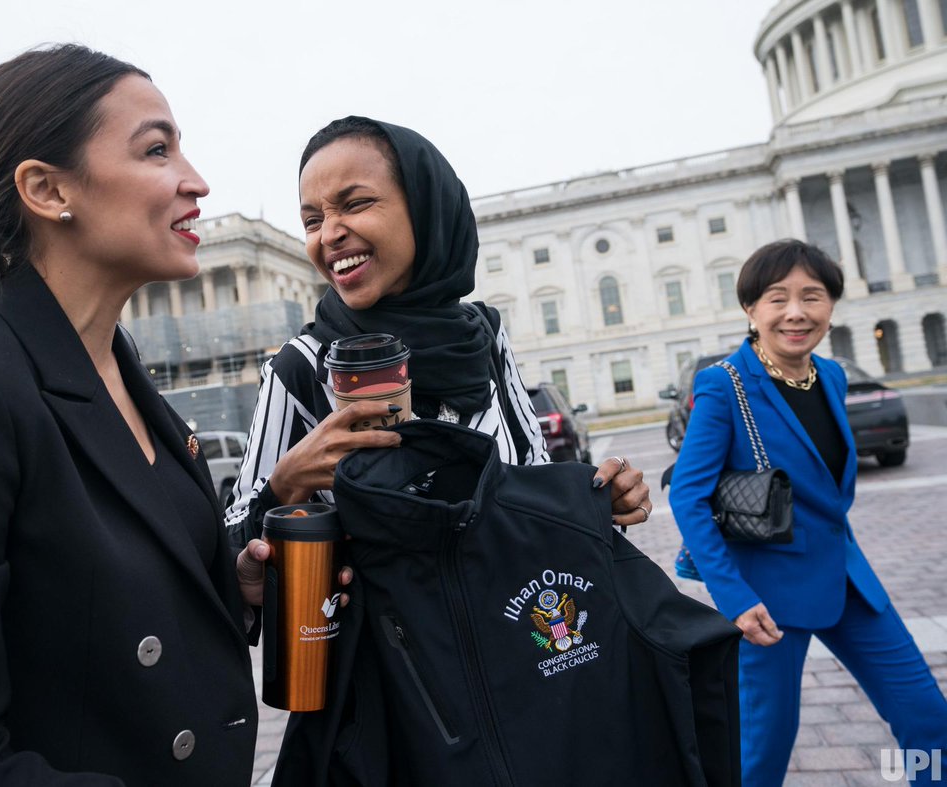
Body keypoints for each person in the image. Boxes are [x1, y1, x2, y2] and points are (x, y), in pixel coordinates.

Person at [0, 45, 274, 786]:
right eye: (156, 149)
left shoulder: (120, 369)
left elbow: (83, 616)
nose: (196, 181)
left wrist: (229, 580)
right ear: (46, 189)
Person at [226, 116, 650, 550]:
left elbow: (532, 475)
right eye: (313, 220)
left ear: (425, 207)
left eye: (354, 205)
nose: (329, 234)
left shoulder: (483, 333)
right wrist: (285, 484)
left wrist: (601, 495)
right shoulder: (302, 365)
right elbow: (233, 539)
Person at [668, 239, 947, 786]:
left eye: (812, 297)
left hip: (849, 584)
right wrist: (734, 597)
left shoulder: (833, 376)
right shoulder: (723, 386)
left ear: (831, 307)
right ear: (751, 309)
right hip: (767, 603)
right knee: (762, 753)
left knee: (928, 717)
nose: (796, 312)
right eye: (777, 298)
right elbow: (689, 496)